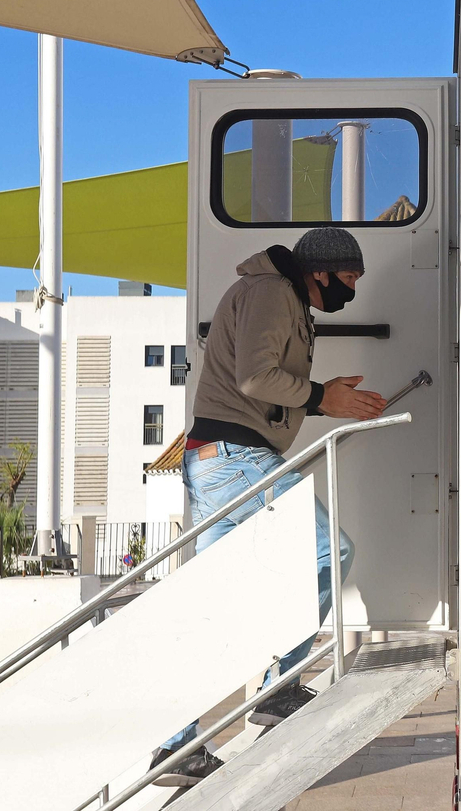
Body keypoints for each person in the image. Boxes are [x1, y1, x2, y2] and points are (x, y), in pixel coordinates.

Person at [152, 227, 387, 787]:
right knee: (331, 550)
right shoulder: (272, 293)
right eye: (349, 279)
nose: (350, 291)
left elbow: (265, 386)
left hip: (218, 456)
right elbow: (255, 377)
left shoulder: (280, 295)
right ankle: (278, 686)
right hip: (234, 457)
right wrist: (320, 396)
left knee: (210, 609)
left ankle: (174, 747)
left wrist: (327, 398)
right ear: (322, 271)